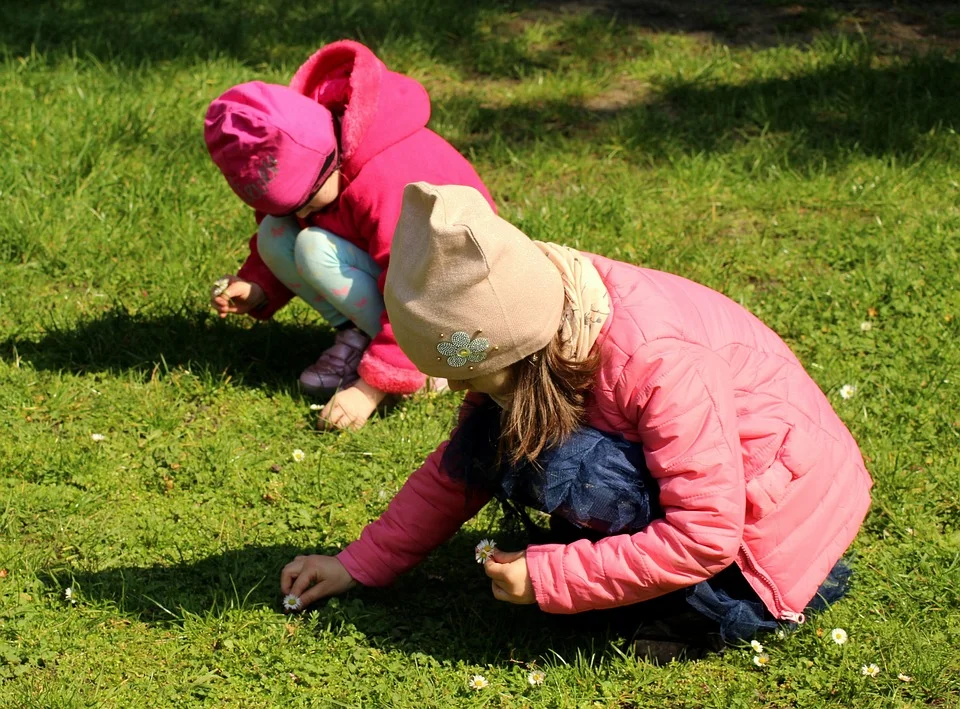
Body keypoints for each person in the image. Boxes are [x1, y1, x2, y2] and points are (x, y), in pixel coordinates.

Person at [279, 182, 873, 647]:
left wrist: (553, 577)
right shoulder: (534, 312)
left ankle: (708, 604)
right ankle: (627, 567)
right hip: (718, 486)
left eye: (467, 377)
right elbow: (460, 469)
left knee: (569, 467)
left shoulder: (659, 362)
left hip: (770, 526)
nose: (460, 392)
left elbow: (707, 533)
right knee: (508, 439)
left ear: (519, 350)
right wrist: (359, 564)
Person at [204, 40, 494, 429]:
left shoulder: (389, 183)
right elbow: (294, 217)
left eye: (305, 202)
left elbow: (420, 287)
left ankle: (430, 364)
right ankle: (360, 335)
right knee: (278, 233)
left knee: (312, 245)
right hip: (403, 275)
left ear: (329, 161)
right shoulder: (323, 163)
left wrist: (370, 388)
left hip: (459, 299)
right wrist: (258, 287)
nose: (302, 215)